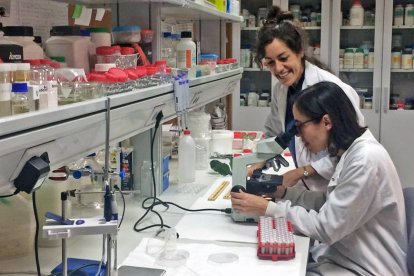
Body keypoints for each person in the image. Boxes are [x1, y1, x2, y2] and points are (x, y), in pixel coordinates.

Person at [231, 81, 407, 275]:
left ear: (326, 122)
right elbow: (329, 202)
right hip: (344, 257)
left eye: (300, 127)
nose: (298, 137)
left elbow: (326, 227)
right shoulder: (350, 152)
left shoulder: (365, 160)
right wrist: (284, 193)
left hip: (365, 268)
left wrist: (268, 208)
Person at [253, 6, 364, 191]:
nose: (278, 68)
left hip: (337, 187)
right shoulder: (281, 91)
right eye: (270, 62)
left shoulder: (331, 88)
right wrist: (258, 161)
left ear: (300, 51)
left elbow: (353, 148)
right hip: (307, 188)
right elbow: (273, 132)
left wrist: (303, 171)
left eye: (283, 58)